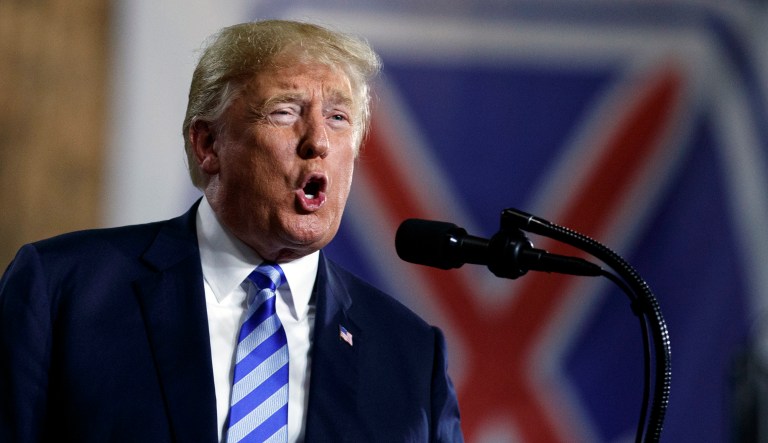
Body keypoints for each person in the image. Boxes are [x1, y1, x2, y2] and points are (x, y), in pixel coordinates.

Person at [0, 20, 463, 442]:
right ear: (208, 145)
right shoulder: (64, 292)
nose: (319, 141)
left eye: (339, 118)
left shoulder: (411, 355)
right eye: (284, 111)